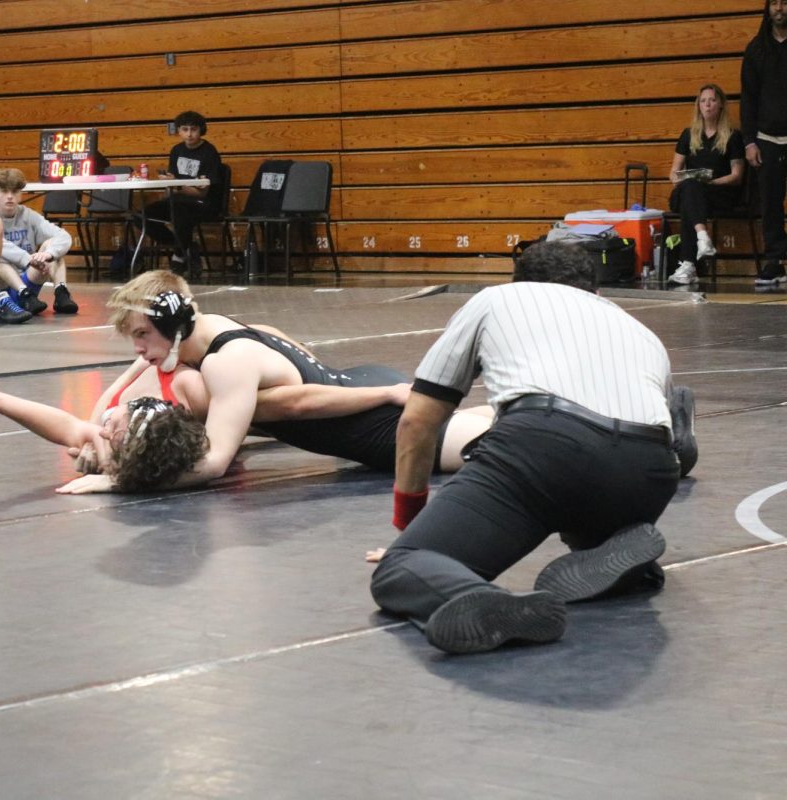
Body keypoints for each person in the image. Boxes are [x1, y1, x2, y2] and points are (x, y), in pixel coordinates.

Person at [368, 242, 685, 655]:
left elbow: (417, 420)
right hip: (650, 470)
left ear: (519, 282)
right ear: (597, 293)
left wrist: (408, 525)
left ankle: (485, 603)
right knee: (581, 490)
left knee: (403, 567)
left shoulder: (497, 299)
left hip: (544, 448)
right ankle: (619, 561)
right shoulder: (641, 331)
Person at [55, 270, 493, 494]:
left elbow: (213, 463)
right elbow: (292, 390)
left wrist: (119, 483)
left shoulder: (224, 365)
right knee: (490, 424)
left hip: (377, 429)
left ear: (172, 325)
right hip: (361, 383)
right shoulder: (215, 328)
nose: (136, 348)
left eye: (141, 335)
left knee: (503, 448)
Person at [0, 168, 78, 315]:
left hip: (29, 276)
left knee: (53, 247)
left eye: (14, 192)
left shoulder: (28, 215)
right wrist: (28, 259)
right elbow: (1, 247)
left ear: (20, 194)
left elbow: (63, 236)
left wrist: (48, 254)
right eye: (4, 191)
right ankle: (23, 293)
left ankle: (61, 293)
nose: (10, 197)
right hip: (1, 285)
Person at [666, 85, 745, 286]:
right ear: (698, 106)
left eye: (712, 100)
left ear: (720, 105)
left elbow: (737, 176)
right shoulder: (688, 135)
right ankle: (702, 238)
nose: (707, 104)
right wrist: (684, 178)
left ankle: (689, 264)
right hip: (691, 191)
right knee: (690, 188)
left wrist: (710, 182)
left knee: (689, 201)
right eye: (703, 100)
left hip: (719, 193)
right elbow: (673, 173)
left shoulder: (733, 136)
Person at [141, 111, 224, 273]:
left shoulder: (209, 152)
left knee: (179, 212)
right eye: (185, 130)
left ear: (201, 130)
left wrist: (177, 186)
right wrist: (168, 183)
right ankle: (183, 246)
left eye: (193, 129)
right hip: (179, 199)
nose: (189, 134)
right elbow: (174, 181)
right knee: (143, 215)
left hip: (204, 204)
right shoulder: (176, 150)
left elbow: (202, 193)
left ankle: (179, 255)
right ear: (178, 131)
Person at [742, 0, 787, 287]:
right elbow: (748, 98)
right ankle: (775, 261)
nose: (780, 8)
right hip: (767, 139)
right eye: (775, 3)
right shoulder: (756, 49)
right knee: (770, 204)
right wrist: (749, 142)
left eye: (784, 2)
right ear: (767, 9)